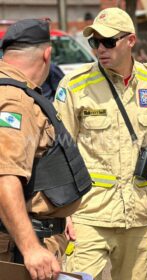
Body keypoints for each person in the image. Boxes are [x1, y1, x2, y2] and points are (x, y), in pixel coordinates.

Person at [54, 7, 147, 280]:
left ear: (131, 41)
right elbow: (59, 152)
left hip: (139, 215)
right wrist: (63, 213)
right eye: (95, 42)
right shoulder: (74, 86)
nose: (100, 48)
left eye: (109, 41)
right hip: (88, 216)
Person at [0, 19, 91, 280]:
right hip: (20, 248)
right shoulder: (15, 100)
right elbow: (5, 176)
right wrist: (30, 248)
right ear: (47, 54)